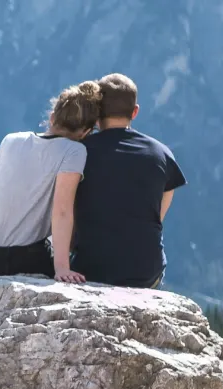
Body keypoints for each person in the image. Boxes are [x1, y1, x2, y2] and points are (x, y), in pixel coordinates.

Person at [0, 81, 102, 282]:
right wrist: (62, 268)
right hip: (25, 259)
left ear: (52, 117)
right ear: (86, 133)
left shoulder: (11, 140)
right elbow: (62, 211)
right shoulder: (74, 151)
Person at [70, 73, 187, 289]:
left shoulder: (78, 153)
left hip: (91, 270)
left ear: (97, 112)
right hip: (146, 273)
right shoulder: (161, 153)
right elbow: (160, 208)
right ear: (135, 112)